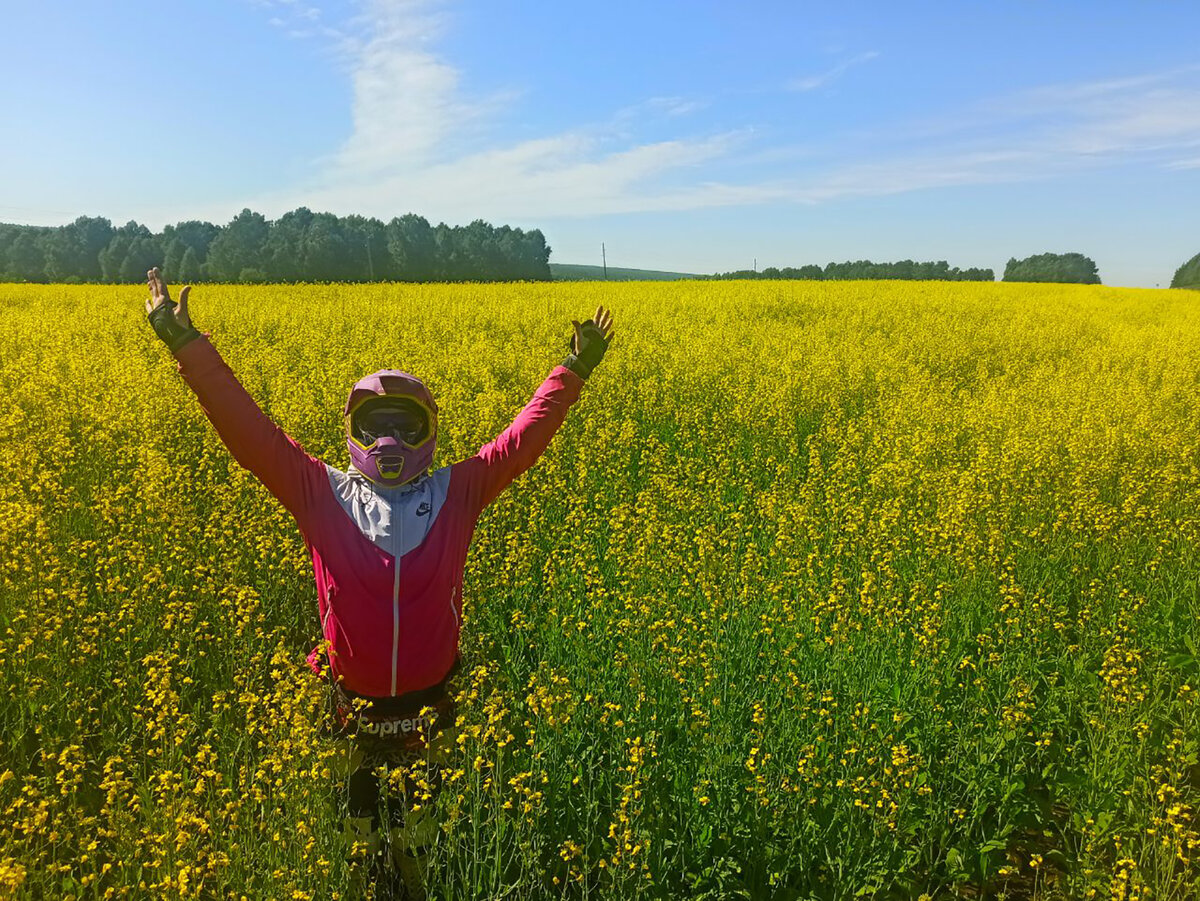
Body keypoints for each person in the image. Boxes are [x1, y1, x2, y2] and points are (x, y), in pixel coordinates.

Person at [143, 267, 615, 898]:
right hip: (349, 701)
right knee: (356, 832)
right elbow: (249, 431)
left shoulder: (459, 488)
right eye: (375, 424)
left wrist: (573, 369)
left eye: (404, 423)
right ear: (352, 431)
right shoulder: (320, 491)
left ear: (429, 428)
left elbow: (523, 438)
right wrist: (187, 346)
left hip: (430, 700)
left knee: (423, 833)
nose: (389, 439)